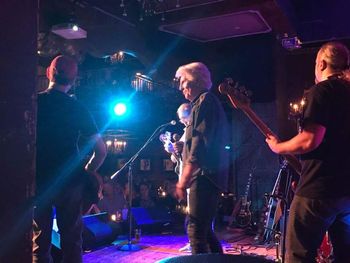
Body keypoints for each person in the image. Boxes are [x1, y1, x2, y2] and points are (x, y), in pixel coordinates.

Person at [266, 42, 350, 262]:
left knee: (298, 255)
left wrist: (278, 146)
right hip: (347, 192)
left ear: (321, 63)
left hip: (319, 189)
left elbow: (310, 139)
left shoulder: (321, 91)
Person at [34, 55, 107, 263]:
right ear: (74, 79)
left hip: (40, 181)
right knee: (72, 241)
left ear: (49, 73)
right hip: (71, 181)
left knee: (40, 243)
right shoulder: (78, 108)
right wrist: (88, 171)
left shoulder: (35, 102)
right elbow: (101, 150)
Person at [174, 62, 229, 254]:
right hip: (207, 176)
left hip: (204, 176)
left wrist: (184, 179)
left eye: (182, 82)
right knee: (204, 230)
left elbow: (199, 144)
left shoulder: (205, 101)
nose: (180, 87)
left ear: (193, 81)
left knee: (195, 230)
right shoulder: (202, 103)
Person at [163, 103, 192, 252]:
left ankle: (197, 242)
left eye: (183, 118)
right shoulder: (185, 131)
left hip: (194, 177)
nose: (181, 121)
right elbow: (177, 159)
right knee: (190, 211)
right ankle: (192, 241)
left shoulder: (194, 129)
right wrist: (171, 150)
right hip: (185, 177)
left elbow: (195, 153)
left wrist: (182, 147)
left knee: (196, 212)